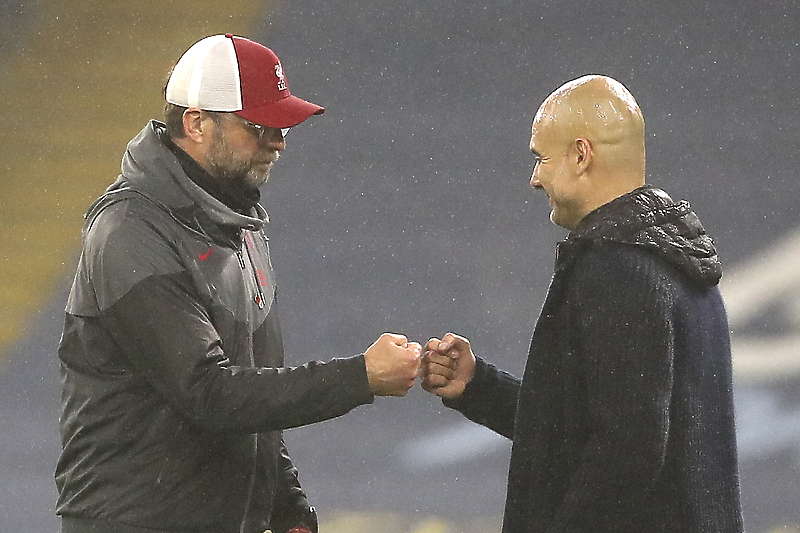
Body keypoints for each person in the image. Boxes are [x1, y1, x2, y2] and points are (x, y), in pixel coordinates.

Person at [55, 34, 421, 533]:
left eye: (283, 127)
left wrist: (286, 506)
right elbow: (209, 393)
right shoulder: (131, 231)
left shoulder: (237, 225)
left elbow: (251, 388)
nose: (279, 142)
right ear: (196, 123)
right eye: (260, 127)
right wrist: (359, 377)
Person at [421, 75, 743, 532]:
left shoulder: (618, 268)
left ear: (580, 155)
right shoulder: (677, 261)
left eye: (541, 158)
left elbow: (627, 450)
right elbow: (584, 429)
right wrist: (478, 386)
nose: (534, 179)